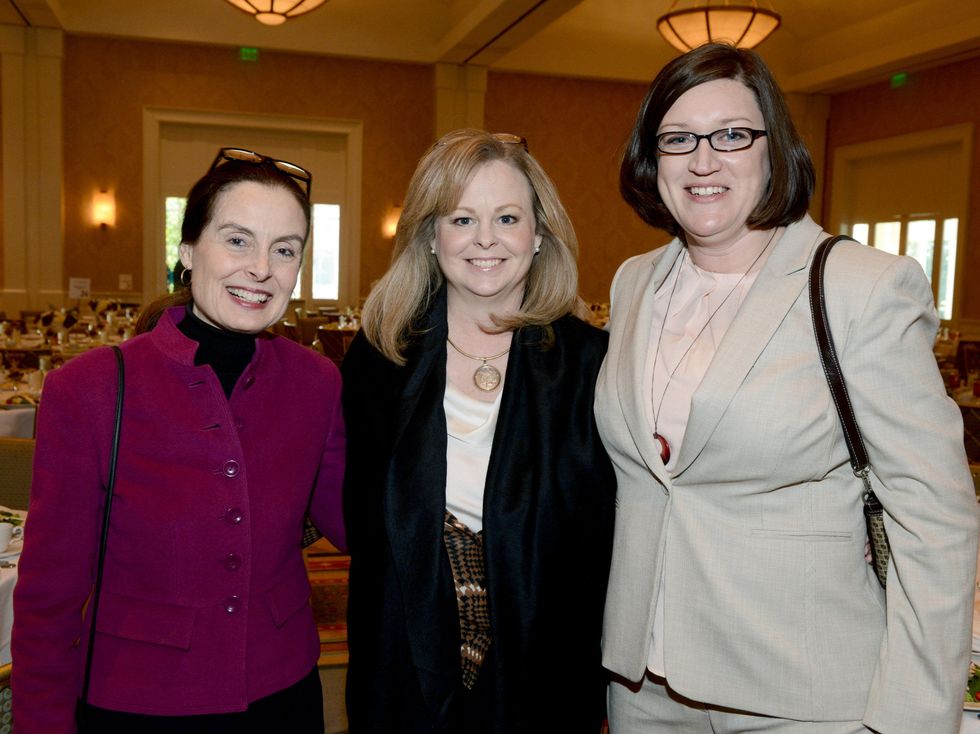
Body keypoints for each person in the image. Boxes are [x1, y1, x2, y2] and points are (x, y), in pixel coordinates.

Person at [596, 43, 978, 734]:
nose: (703, 159)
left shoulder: (859, 286)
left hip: (802, 696)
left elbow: (935, 521)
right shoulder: (634, 283)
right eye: (678, 138)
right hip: (643, 687)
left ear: (775, 147)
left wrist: (914, 718)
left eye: (733, 135)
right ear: (653, 159)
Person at [12, 147, 346, 733]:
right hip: (138, 699)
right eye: (238, 240)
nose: (261, 268)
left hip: (282, 690)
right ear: (188, 250)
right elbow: (48, 596)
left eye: (285, 249)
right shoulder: (88, 389)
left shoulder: (315, 380)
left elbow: (353, 520)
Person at [341, 128, 616, 732]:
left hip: (547, 679)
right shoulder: (381, 358)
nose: (486, 239)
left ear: (539, 235)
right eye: (461, 219)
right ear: (430, 237)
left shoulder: (594, 365)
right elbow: (356, 519)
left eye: (508, 217)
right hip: (401, 674)